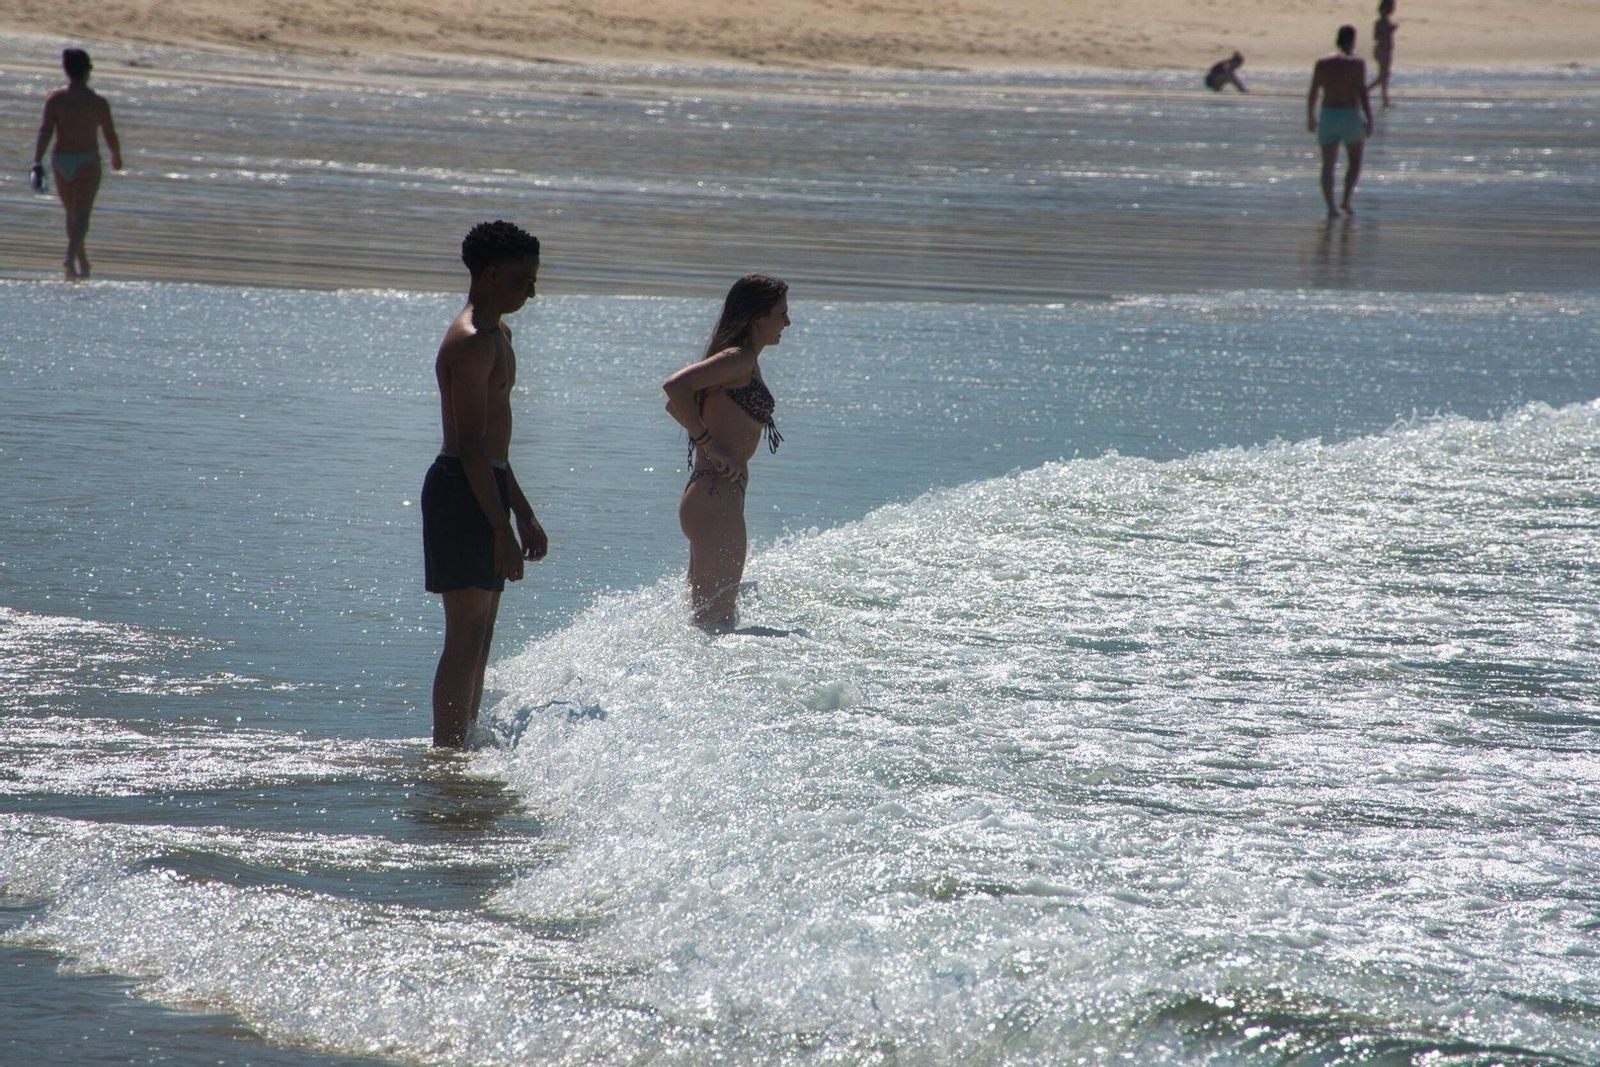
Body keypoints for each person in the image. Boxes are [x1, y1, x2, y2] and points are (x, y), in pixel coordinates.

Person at [422, 220, 548, 748]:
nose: (532, 291)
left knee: (484, 633)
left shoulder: (500, 335)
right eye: (523, 280)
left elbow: (495, 450)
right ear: (493, 275)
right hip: (460, 488)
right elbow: (471, 446)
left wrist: (522, 510)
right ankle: (448, 754)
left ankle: (464, 743)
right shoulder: (472, 342)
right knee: (465, 634)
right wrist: (499, 527)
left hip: (486, 483)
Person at [662, 274, 790, 632]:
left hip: (712, 497)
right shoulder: (738, 359)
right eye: (781, 313)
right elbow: (675, 388)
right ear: (757, 317)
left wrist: (709, 442)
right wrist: (710, 446)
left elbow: (677, 407)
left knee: (713, 622)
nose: (787, 322)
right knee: (714, 624)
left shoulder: (743, 360)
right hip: (715, 498)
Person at [31, 48, 123, 281]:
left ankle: (83, 265)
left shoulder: (55, 98)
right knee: (81, 216)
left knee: (71, 214)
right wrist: (116, 156)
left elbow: (46, 130)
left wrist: (37, 160)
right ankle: (70, 259)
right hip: (87, 161)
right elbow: (110, 133)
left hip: (60, 159)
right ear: (87, 71)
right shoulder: (97, 102)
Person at [1307, 26, 1374, 218]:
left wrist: (1311, 117)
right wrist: (1369, 119)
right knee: (1355, 160)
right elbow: (1362, 93)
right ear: (1352, 41)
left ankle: (1330, 207)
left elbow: (1313, 92)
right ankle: (1346, 199)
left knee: (1328, 165)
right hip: (1349, 115)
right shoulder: (1357, 64)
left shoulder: (1322, 63)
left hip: (1328, 115)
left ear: (1337, 40)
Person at [1367, 0, 1399, 108]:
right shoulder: (1380, 22)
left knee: (1385, 76)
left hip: (1387, 50)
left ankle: (1385, 99)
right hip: (1382, 50)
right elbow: (1376, 37)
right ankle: (1364, 92)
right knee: (1382, 76)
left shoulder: (1387, 22)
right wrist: (1388, 30)